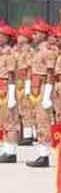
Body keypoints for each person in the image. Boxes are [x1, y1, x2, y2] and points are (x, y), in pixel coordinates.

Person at [27, 20, 58, 167]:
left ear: (44, 35)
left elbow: (50, 73)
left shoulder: (48, 52)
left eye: (36, 33)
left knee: (43, 122)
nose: (33, 35)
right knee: (38, 120)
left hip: (44, 87)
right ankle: (41, 153)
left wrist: (47, 95)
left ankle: (44, 156)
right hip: (36, 88)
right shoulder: (38, 50)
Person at [0, 22, 16, 163]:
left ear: (8, 38)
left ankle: (11, 152)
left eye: (1, 35)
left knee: (9, 120)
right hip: (0, 86)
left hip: (6, 87)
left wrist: (11, 94)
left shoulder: (9, 53)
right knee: (2, 121)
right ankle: (5, 149)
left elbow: (11, 74)